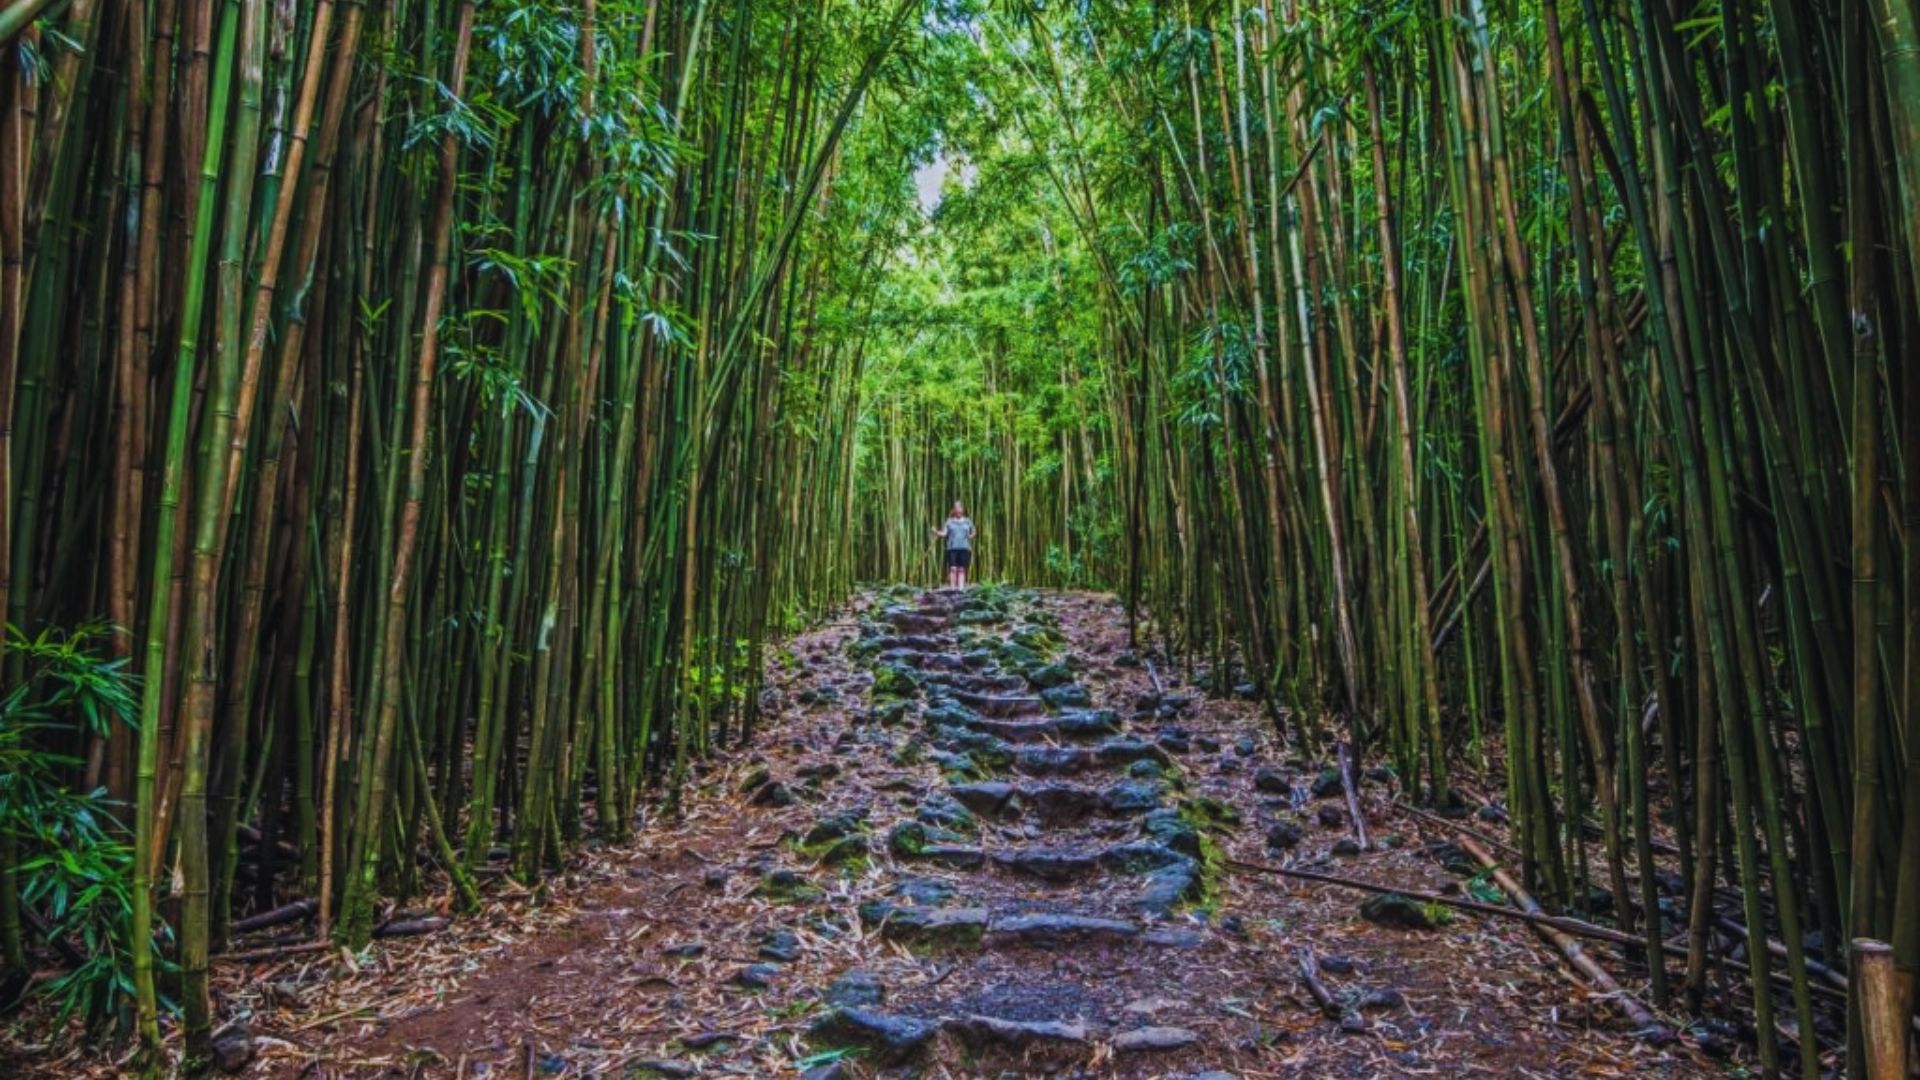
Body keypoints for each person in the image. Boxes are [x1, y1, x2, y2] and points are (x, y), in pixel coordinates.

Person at [931, 501, 976, 589]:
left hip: (964, 548)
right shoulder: (949, 521)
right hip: (952, 548)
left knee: (962, 569)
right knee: (953, 569)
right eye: (957, 508)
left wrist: (970, 536)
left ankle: (960, 588)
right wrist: (936, 532)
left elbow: (974, 531)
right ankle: (952, 588)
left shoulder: (967, 521)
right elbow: (944, 533)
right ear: (954, 510)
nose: (958, 510)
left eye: (960, 508)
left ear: (962, 509)